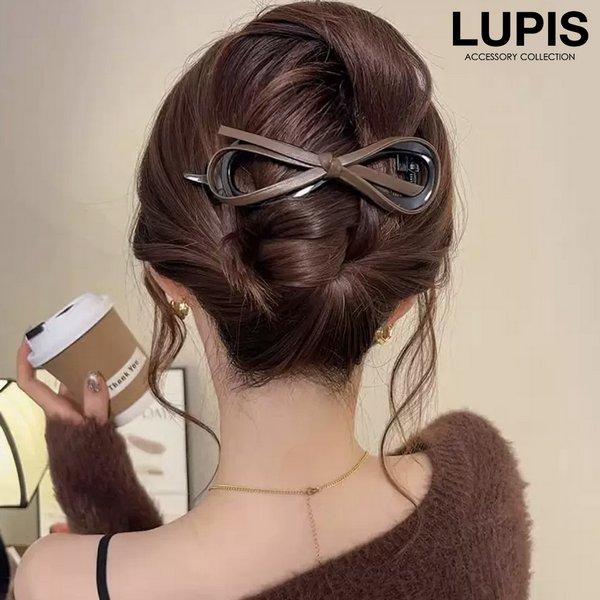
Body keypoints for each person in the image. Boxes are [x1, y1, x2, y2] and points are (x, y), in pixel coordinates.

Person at [14, 2, 531, 599]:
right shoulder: (475, 493)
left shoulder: (60, 581)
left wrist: (89, 472)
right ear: (402, 302)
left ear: (169, 280)